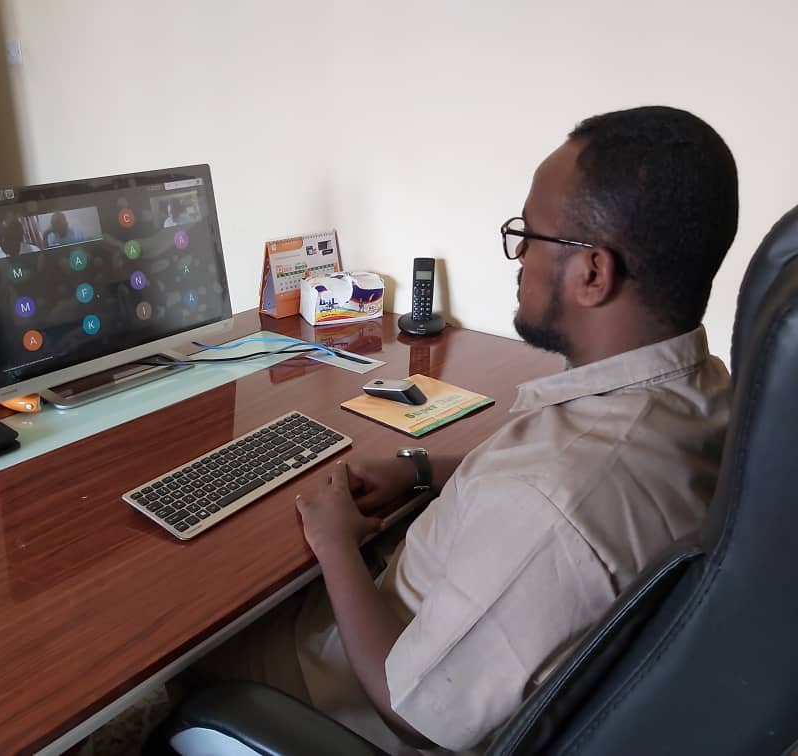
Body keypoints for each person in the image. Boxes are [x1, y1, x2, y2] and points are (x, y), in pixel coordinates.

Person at [191, 106, 738, 755]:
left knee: (184, 636)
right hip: (440, 609)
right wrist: (422, 471)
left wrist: (336, 545)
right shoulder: (701, 390)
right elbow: (532, 486)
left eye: (531, 235)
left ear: (594, 273)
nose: (518, 257)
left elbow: (412, 711)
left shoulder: (558, 499)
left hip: (349, 693)